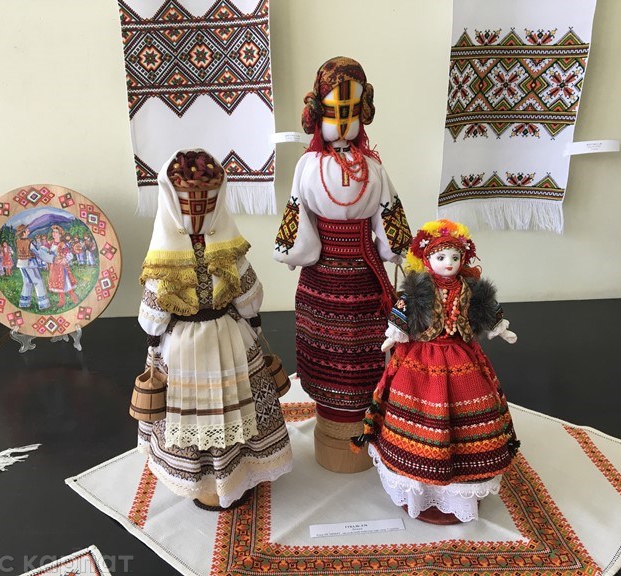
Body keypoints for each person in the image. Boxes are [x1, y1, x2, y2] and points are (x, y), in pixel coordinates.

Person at [273, 56, 412, 473]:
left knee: (366, 346)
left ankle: (366, 424)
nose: (343, 123)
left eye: (350, 113)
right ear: (320, 115)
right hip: (328, 276)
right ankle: (335, 423)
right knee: (324, 343)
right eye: (336, 113)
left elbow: (388, 219)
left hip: (362, 276)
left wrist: (397, 250)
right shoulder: (310, 165)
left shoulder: (372, 168)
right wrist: (297, 250)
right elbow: (299, 213)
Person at [137, 148, 292, 510]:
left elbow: (153, 317)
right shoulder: (184, 252)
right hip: (210, 342)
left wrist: (155, 335)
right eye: (189, 203)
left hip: (205, 342)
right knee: (214, 411)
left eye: (204, 203)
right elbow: (249, 299)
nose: (197, 211)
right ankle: (215, 479)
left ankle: (229, 476)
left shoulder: (197, 250)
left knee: (226, 409)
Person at [353, 219, 520, 524]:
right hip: (422, 359)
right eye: (441, 257)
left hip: (461, 358)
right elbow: (403, 312)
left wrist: (501, 329)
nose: (449, 263)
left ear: (463, 259)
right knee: (417, 418)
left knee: (471, 412)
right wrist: (394, 334)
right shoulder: (420, 289)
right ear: (427, 259)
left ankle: (460, 488)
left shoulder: (469, 289)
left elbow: (487, 310)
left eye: (455, 257)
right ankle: (420, 487)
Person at [15, 224, 50, 310]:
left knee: (27, 282)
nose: (28, 230)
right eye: (27, 230)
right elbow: (37, 252)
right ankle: (43, 304)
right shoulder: (28, 242)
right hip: (30, 263)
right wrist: (48, 257)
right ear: (23, 232)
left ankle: (24, 303)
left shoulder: (18, 241)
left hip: (21, 263)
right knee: (38, 281)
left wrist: (38, 243)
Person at [47, 225, 79, 307]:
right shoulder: (51, 243)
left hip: (62, 267)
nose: (54, 234)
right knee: (57, 283)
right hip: (54, 267)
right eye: (53, 232)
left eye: (56, 232)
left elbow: (69, 254)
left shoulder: (62, 244)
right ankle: (62, 300)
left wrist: (65, 260)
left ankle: (74, 297)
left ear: (60, 234)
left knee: (66, 282)